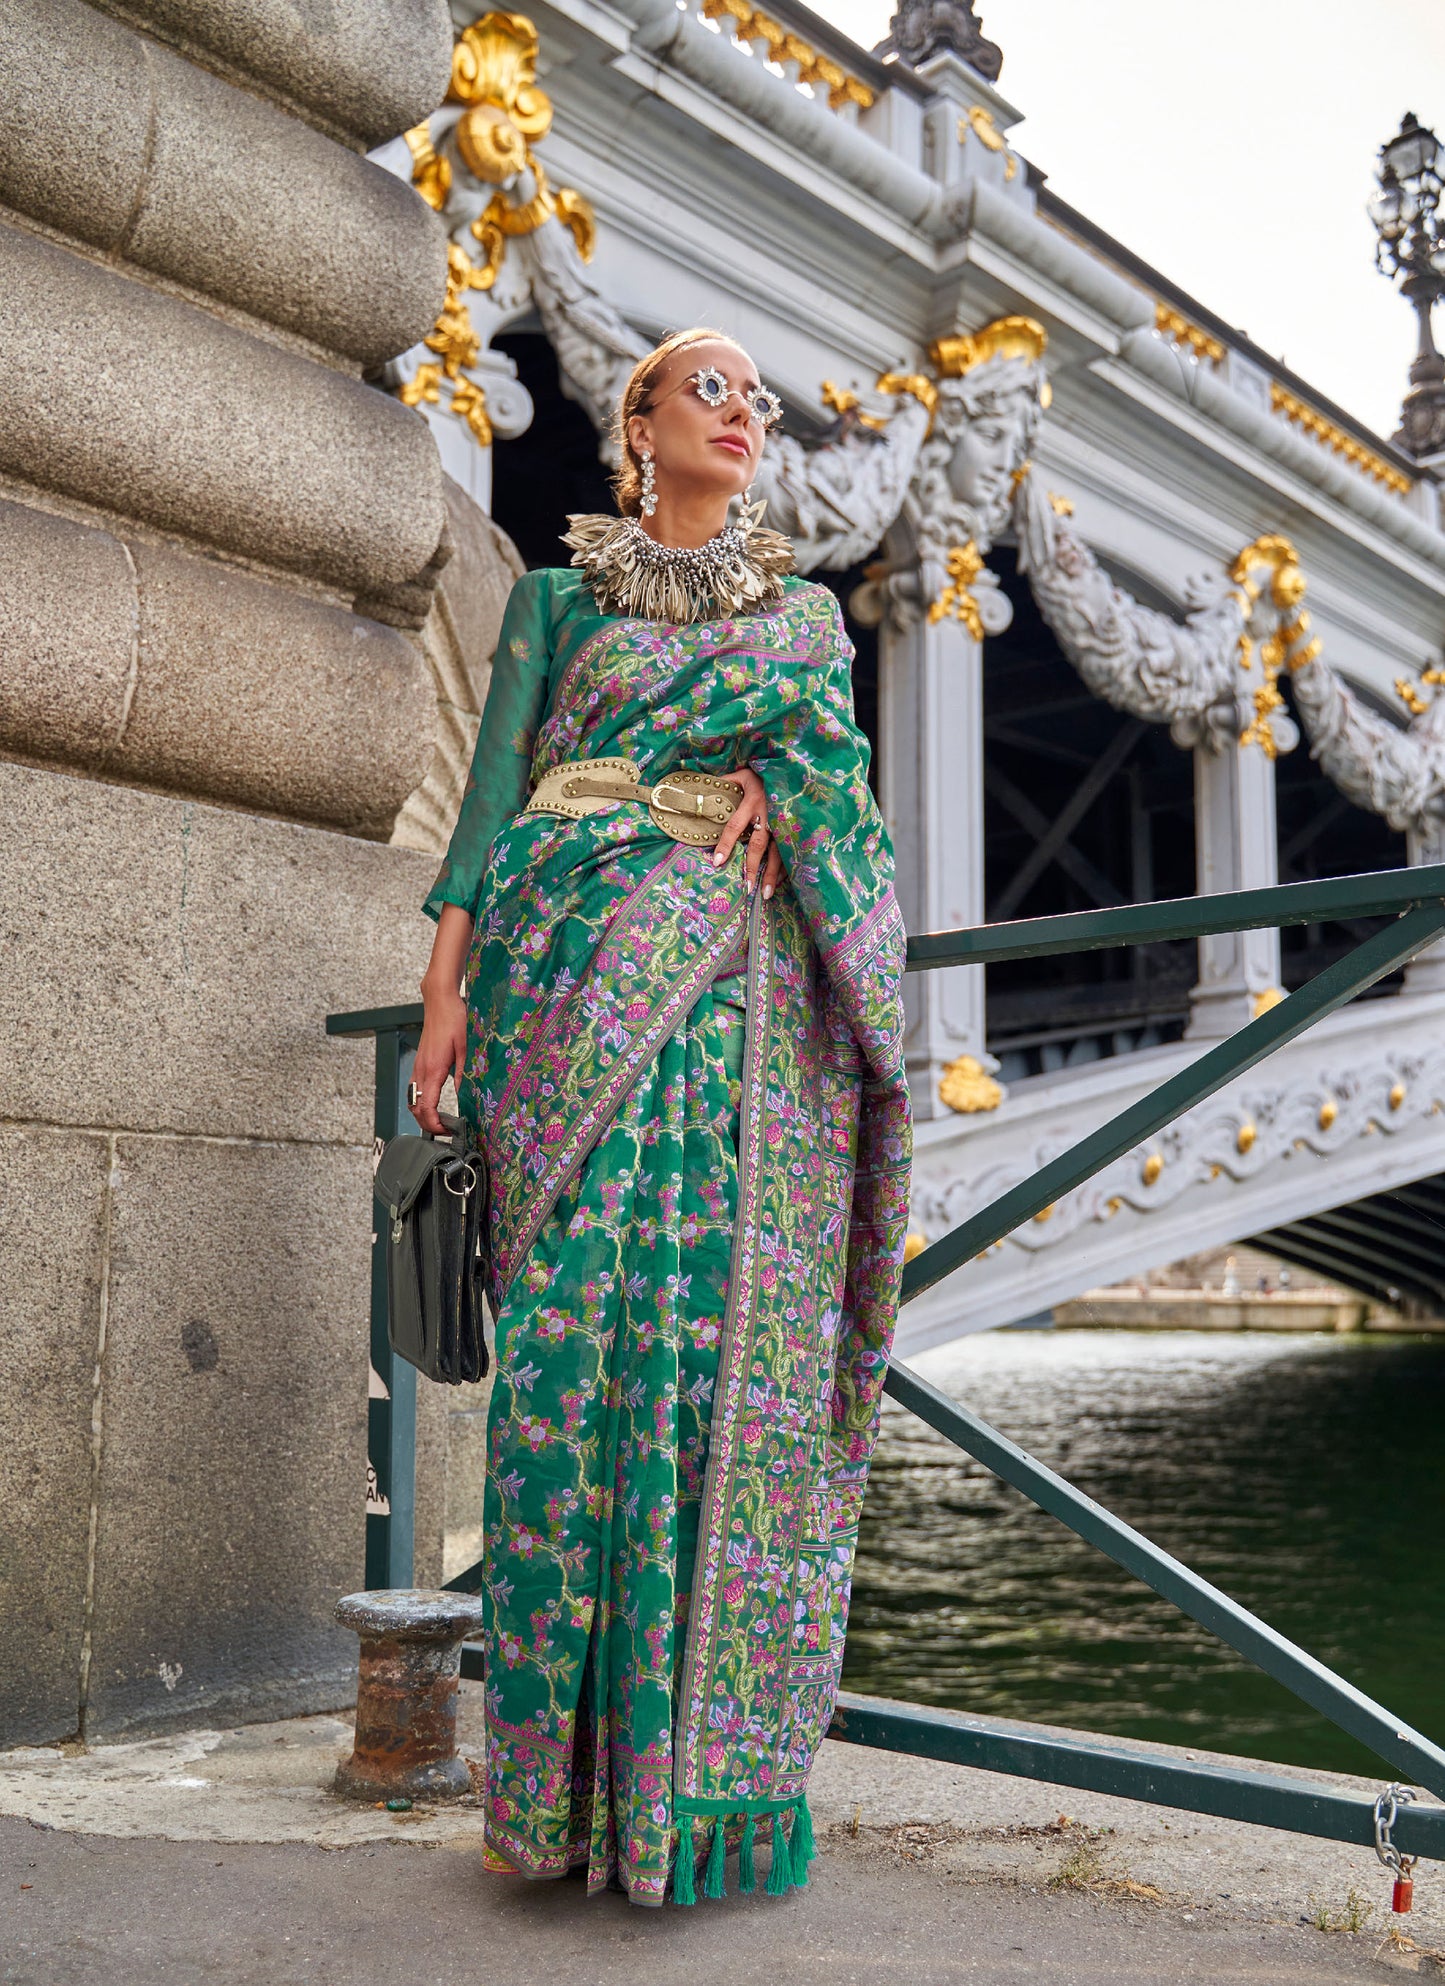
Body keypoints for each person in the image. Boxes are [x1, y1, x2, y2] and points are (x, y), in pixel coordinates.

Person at [410, 326, 912, 1907]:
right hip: (561, 987)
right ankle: (549, 1801)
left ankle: (689, 1800)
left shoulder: (804, 620)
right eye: (711, 387)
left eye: (758, 399)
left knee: (699, 1356)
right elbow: (493, 806)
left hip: (728, 1013)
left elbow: (843, 789)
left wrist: (787, 790)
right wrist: (443, 996)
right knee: (565, 1355)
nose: (743, 412)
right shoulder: (558, 605)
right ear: (637, 423)